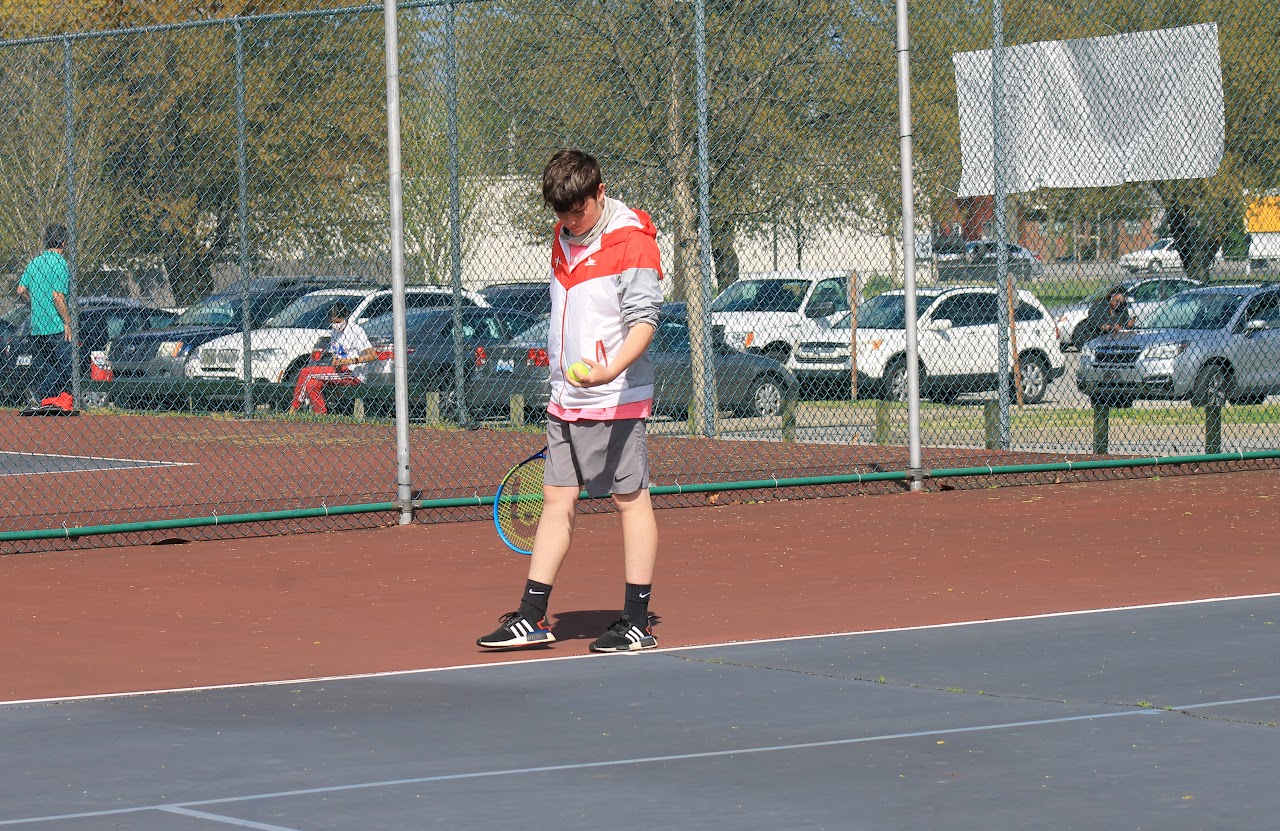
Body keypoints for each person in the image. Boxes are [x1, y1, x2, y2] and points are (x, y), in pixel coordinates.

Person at [477, 149, 664, 653]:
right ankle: (532, 617)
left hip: (617, 396)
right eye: (561, 214)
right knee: (557, 499)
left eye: (577, 211)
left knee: (630, 501)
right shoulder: (563, 235)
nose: (569, 222)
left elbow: (645, 322)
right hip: (566, 395)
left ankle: (637, 622)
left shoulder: (632, 242)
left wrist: (609, 370)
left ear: (600, 194)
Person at [16, 224, 73, 407]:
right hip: (55, 325)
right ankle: (60, 398)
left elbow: (21, 290)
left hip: (37, 325)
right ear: (64, 242)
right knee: (65, 366)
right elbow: (58, 296)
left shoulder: (35, 262)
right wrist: (67, 321)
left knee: (48, 367)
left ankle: (48, 399)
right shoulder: (60, 263)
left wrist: (35, 302)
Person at [289, 303, 378, 414]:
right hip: (339, 371)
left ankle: (293, 409)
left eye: (338, 321)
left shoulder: (356, 331)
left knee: (306, 372)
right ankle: (321, 414)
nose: (335, 325)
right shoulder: (334, 332)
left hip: (354, 373)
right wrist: (336, 361)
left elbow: (373, 355)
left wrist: (351, 361)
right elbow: (335, 354)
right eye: (332, 322)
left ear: (345, 318)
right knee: (311, 383)